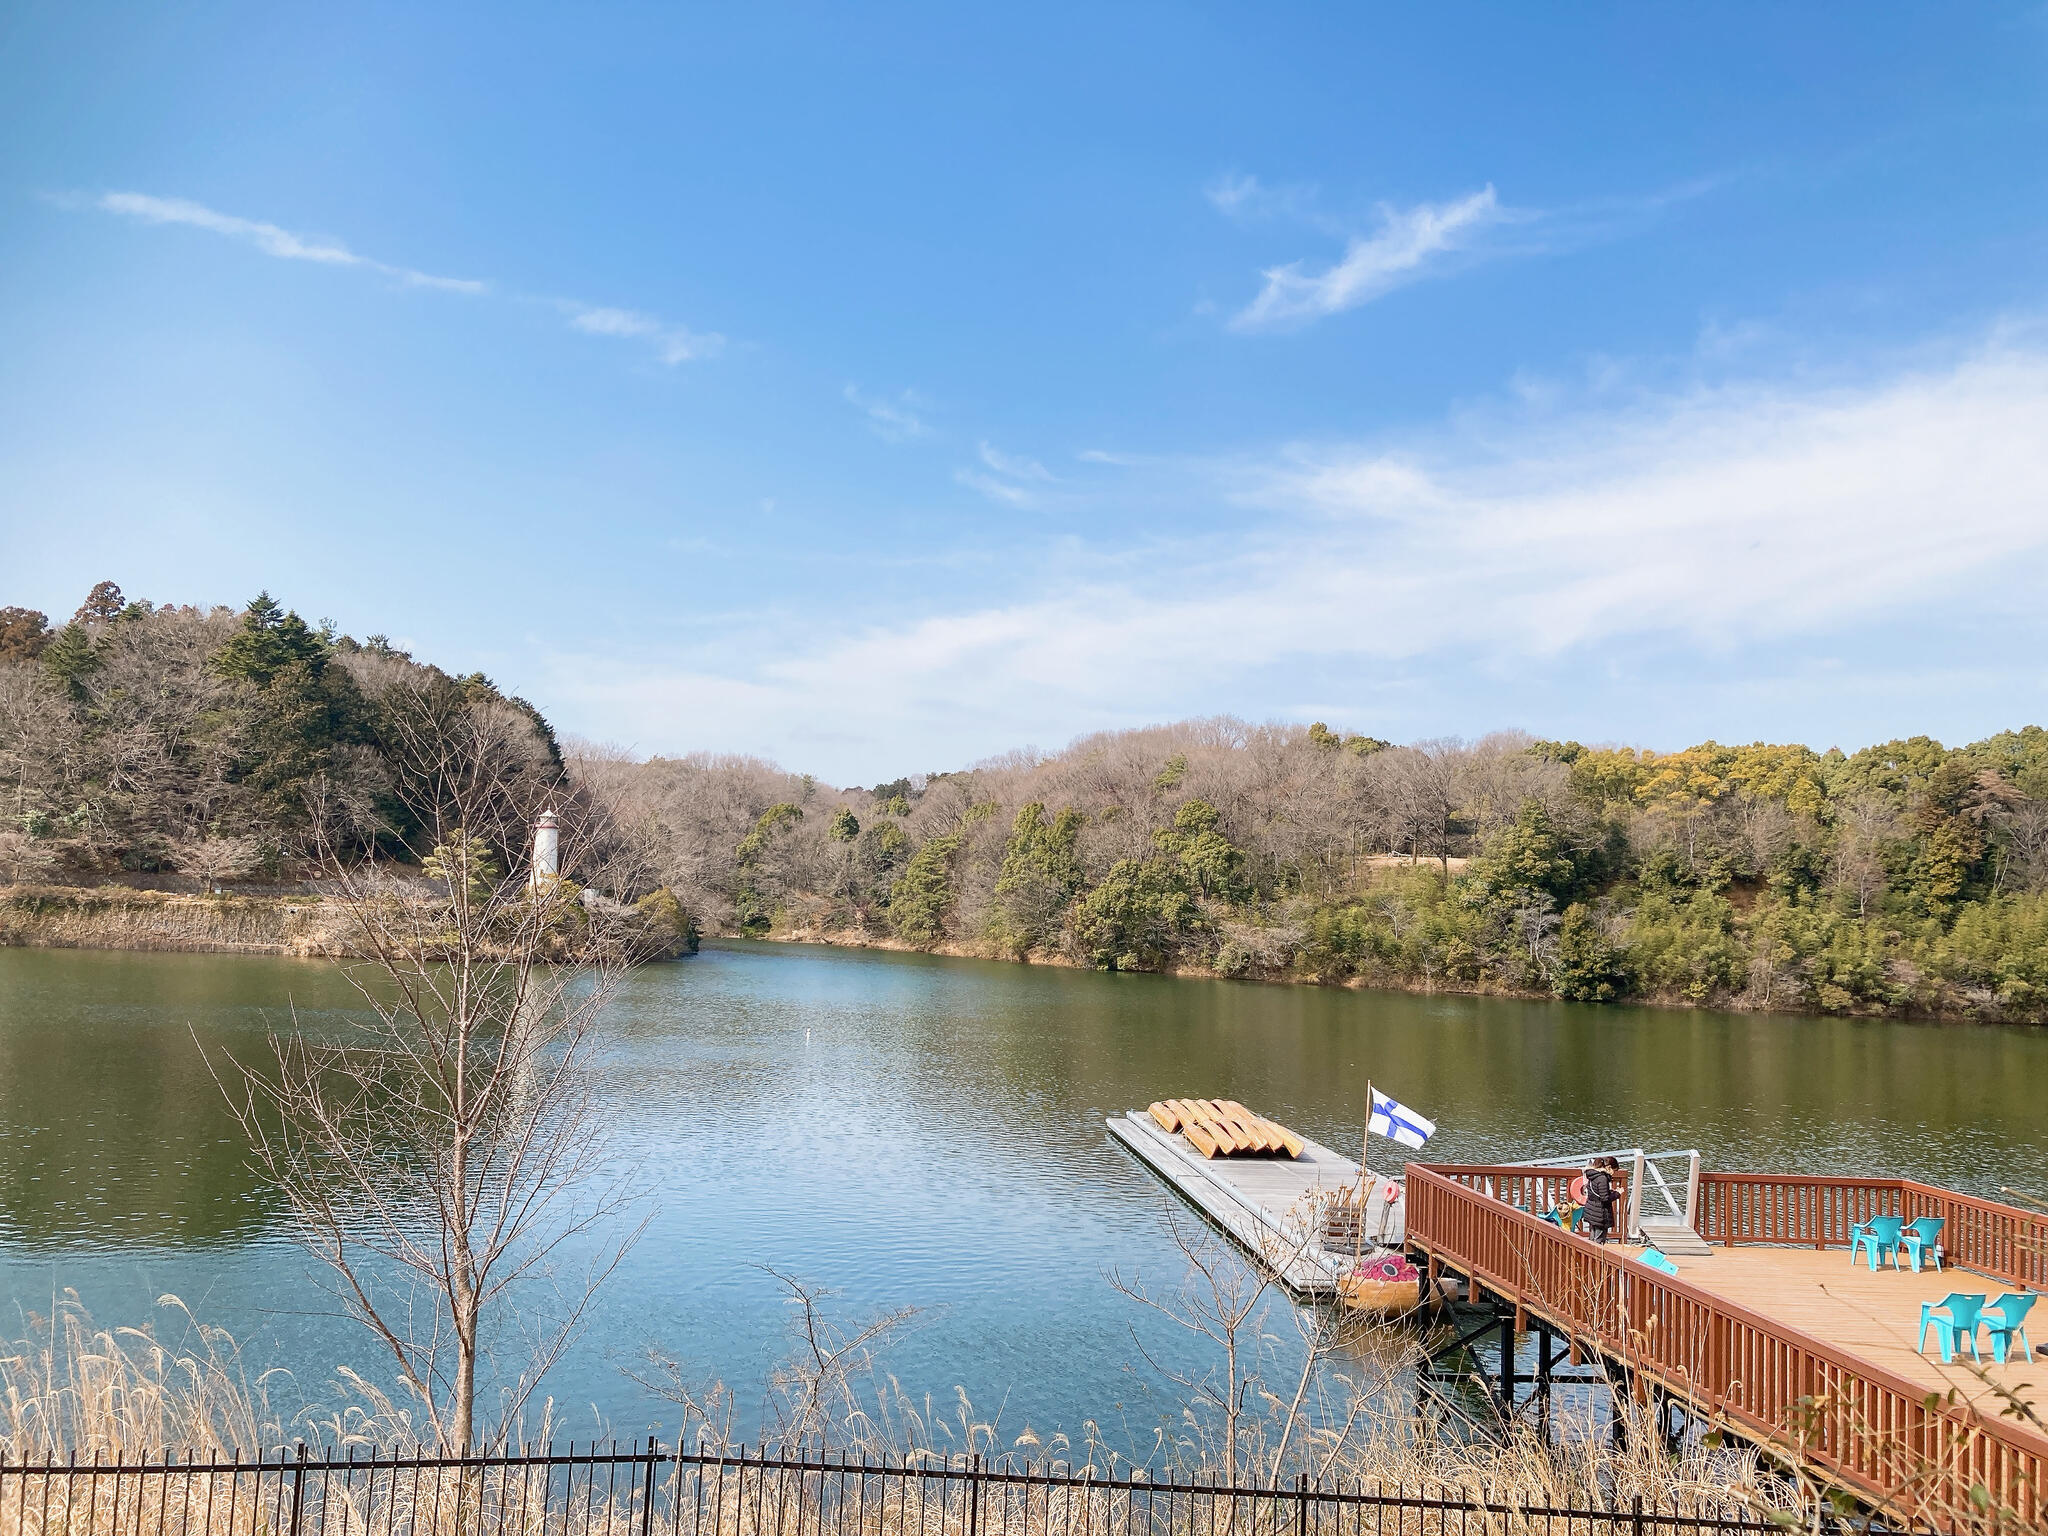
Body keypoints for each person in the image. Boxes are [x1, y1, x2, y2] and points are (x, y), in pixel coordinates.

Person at [1582, 1158, 1618, 1244]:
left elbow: (1597, 1193)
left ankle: (1589, 1255)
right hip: (1600, 1213)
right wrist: (1617, 1194)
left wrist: (1610, 1192)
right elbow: (1605, 1198)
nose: (1614, 1173)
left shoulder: (1593, 1175)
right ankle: (1596, 1256)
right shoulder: (1602, 1178)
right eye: (1614, 1170)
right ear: (1609, 1167)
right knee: (1599, 1240)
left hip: (1592, 1210)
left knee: (1592, 1237)